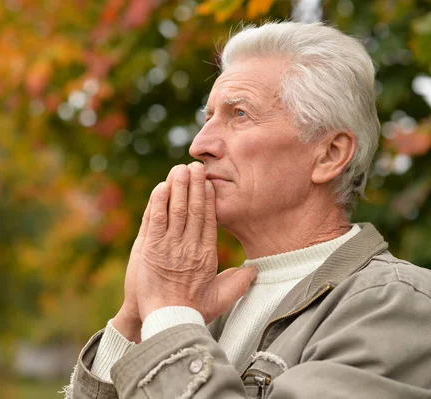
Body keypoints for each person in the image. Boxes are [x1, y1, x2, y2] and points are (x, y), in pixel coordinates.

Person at [63, 21, 431, 398]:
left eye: (239, 114)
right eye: (207, 118)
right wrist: (137, 320)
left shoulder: (395, 305)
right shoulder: (204, 310)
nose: (199, 145)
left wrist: (170, 314)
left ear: (330, 154)